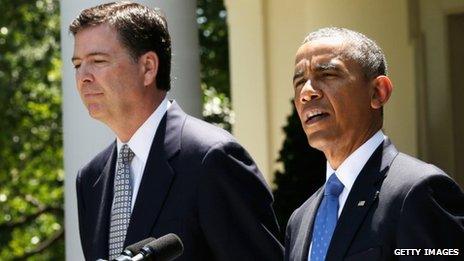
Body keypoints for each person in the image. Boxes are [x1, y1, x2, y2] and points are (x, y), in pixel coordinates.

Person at [70, 2, 283, 260]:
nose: (83, 77)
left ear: (148, 67)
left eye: (98, 61)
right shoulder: (90, 178)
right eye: (77, 64)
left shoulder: (210, 157)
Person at [285, 27, 464, 261]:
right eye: (299, 82)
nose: (307, 92)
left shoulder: (419, 191)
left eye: (327, 75)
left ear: (378, 92)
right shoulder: (300, 219)